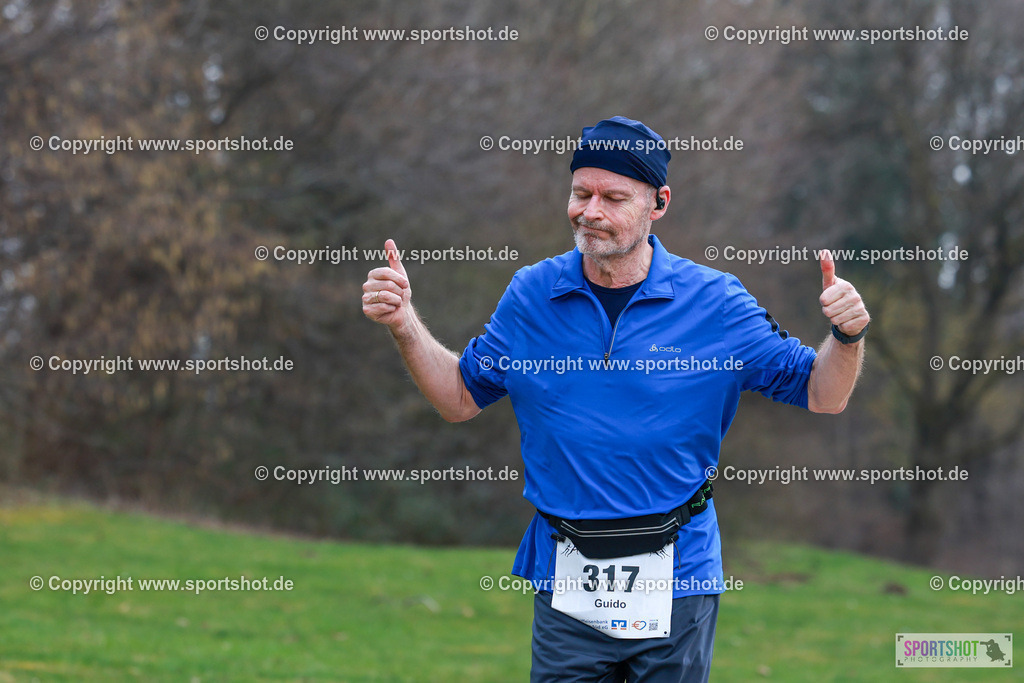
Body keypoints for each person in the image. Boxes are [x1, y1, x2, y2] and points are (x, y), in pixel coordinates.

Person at [361, 116, 869, 682]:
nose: (590, 211)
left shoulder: (717, 304)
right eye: (581, 193)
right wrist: (405, 324)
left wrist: (845, 338)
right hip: (567, 571)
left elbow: (823, 394)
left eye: (613, 197)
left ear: (659, 203)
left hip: (677, 573)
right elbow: (459, 398)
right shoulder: (532, 295)